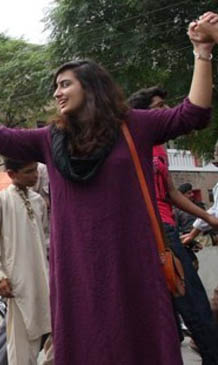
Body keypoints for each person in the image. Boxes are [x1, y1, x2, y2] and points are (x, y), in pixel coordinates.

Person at [0, 14, 216, 363]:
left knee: (139, 341)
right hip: (76, 267)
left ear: (90, 86)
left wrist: (202, 51)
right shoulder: (51, 139)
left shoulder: (133, 126)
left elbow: (192, 114)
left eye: (65, 84)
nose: (58, 93)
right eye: (56, 87)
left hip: (132, 259)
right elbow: (1, 137)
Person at [128, 86, 218, 361]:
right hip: (150, 232)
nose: (167, 112)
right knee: (192, 305)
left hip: (166, 230)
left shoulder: (160, 148)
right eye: (159, 107)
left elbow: (171, 193)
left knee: (182, 304)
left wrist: (207, 218)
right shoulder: (132, 142)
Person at [0, 158, 52, 365]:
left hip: (45, 281)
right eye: (29, 171)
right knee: (21, 350)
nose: (36, 175)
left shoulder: (39, 202)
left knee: (57, 341)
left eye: (35, 170)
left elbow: (46, 239)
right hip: (17, 285)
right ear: (12, 175)